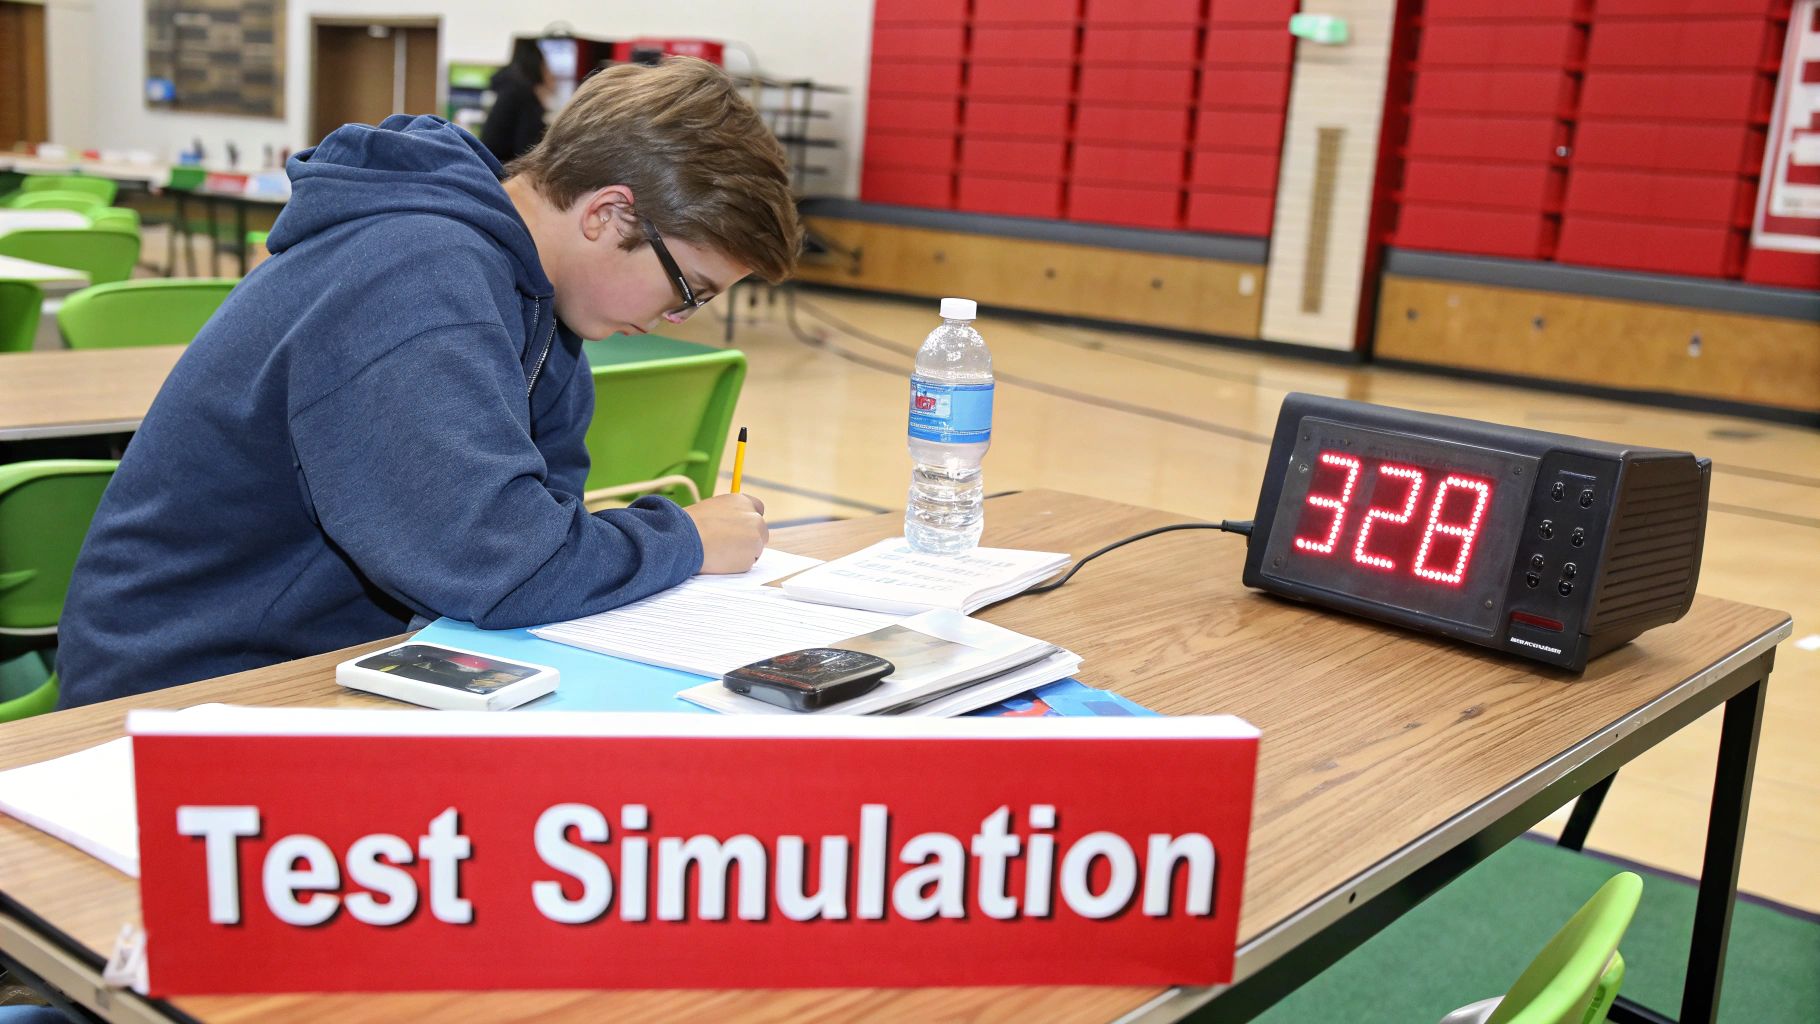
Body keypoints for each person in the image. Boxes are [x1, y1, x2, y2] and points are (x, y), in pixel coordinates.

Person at [55, 58, 799, 708]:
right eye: (688, 289)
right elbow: (500, 564)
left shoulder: (548, 310)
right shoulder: (416, 272)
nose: (678, 318)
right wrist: (684, 539)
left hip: (349, 657)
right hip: (187, 688)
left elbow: (542, 526)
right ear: (607, 213)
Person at [481, 38, 554, 164]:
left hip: (491, 164)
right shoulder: (524, 94)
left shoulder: (510, 87)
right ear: (537, 66)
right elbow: (527, 149)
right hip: (503, 168)